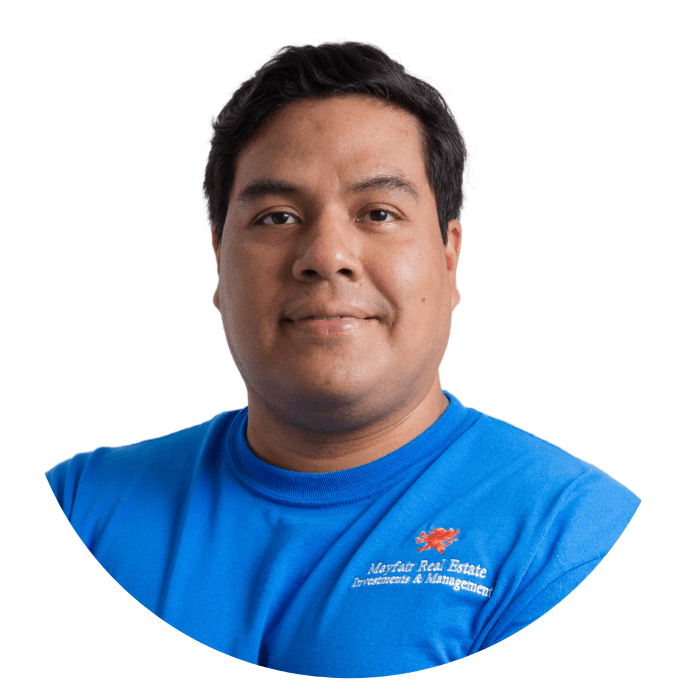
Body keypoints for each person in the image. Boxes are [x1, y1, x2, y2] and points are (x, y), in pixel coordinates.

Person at [47, 42, 639, 678]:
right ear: (219, 258)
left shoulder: (576, 542)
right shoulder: (76, 510)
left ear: (449, 257)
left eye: (379, 213)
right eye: (277, 217)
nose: (327, 256)